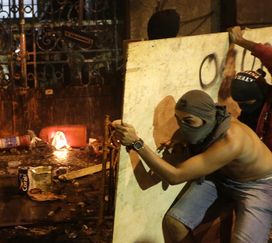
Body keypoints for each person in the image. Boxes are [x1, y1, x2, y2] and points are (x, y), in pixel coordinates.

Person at [113, 90, 272, 242]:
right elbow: (197, 131)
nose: (182, 127)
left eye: (188, 121)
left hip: (258, 186)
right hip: (222, 176)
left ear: (207, 119)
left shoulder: (232, 140)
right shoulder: (210, 114)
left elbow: (175, 176)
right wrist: (183, 140)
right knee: (174, 223)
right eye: (178, 120)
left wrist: (137, 143)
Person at [229, 26, 272, 151]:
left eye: (247, 103)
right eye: (240, 103)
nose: (243, 107)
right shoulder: (247, 117)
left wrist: (241, 41)